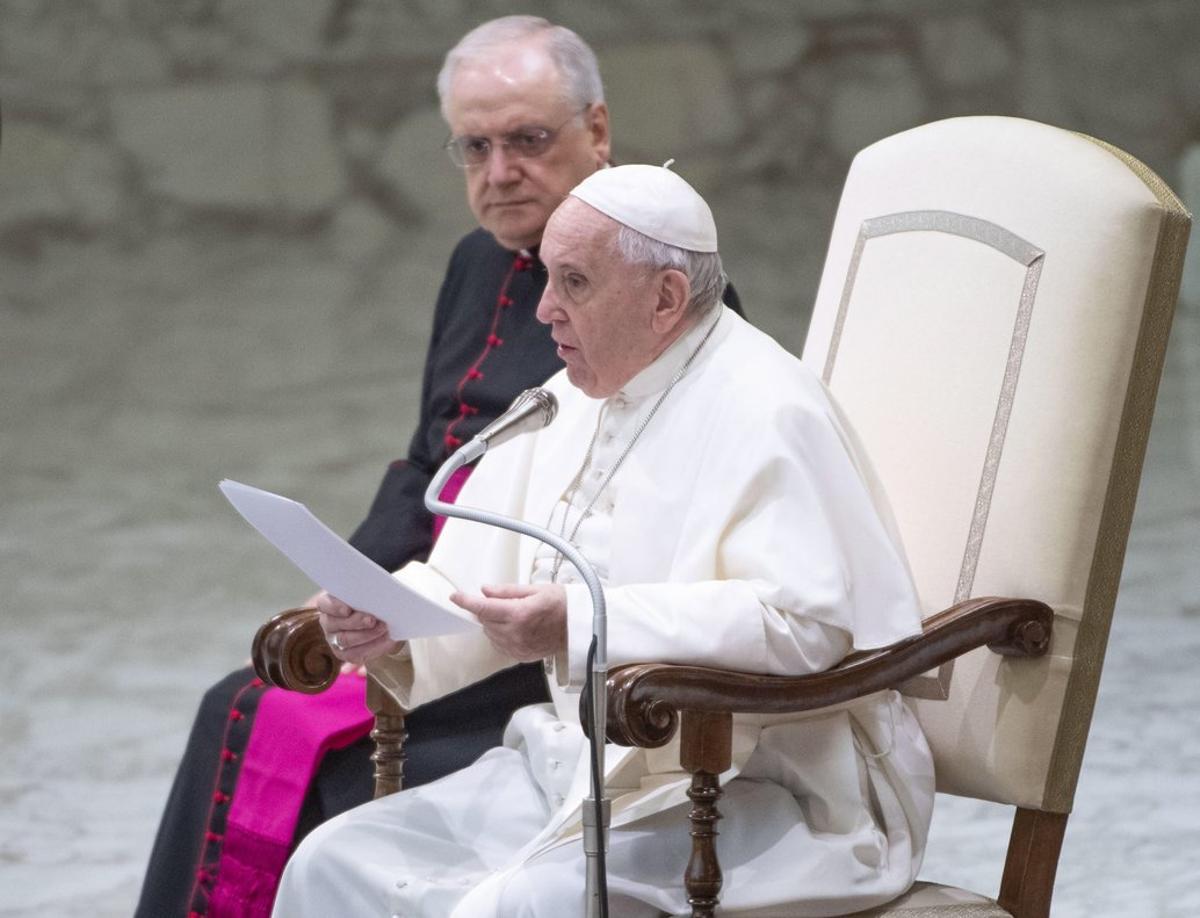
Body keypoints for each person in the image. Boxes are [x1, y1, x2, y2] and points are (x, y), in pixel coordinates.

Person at [135, 16, 743, 918]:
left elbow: (640, 523)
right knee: (245, 695)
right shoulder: (472, 265)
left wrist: (477, 611)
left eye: (529, 141)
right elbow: (429, 455)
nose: (500, 173)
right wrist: (349, 581)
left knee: (267, 718)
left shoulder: (665, 293)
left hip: (524, 637)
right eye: (475, 147)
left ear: (599, 131)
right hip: (426, 593)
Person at [274, 165, 933, 917]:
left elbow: (805, 626)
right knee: (330, 862)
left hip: (757, 789)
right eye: (547, 280)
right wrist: (388, 620)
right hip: (571, 769)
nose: (546, 311)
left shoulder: (770, 409)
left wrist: (579, 623)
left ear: (664, 298)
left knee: (517, 907)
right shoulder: (563, 400)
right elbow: (472, 582)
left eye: (574, 283)